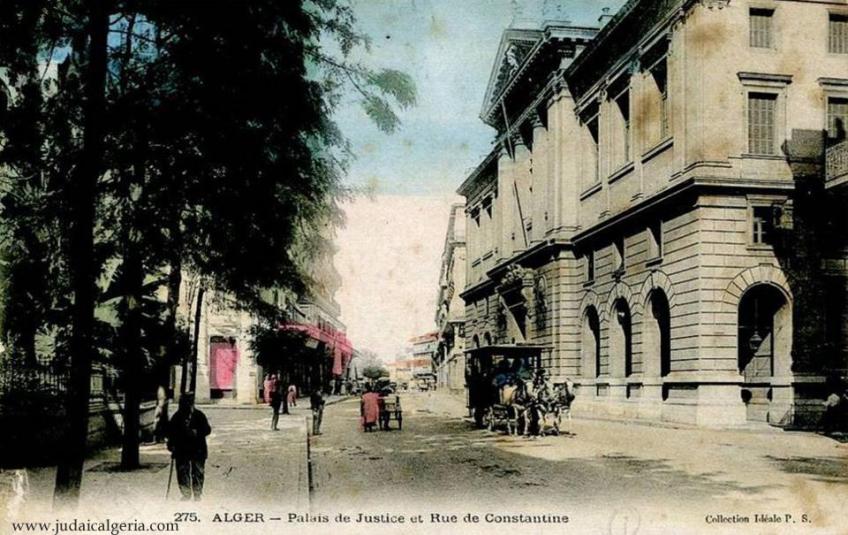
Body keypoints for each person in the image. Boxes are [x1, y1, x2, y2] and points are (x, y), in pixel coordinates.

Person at [167, 394, 211, 501]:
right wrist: (171, 446)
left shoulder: (199, 415)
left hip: (198, 449)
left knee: (198, 472)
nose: (188, 407)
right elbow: (171, 433)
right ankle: (186, 494)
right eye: (184, 404)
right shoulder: (177, 417)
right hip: (182, 449)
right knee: (182, 472)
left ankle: (197, 494)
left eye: (189, 404)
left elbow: (207, 430)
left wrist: (197, 432)